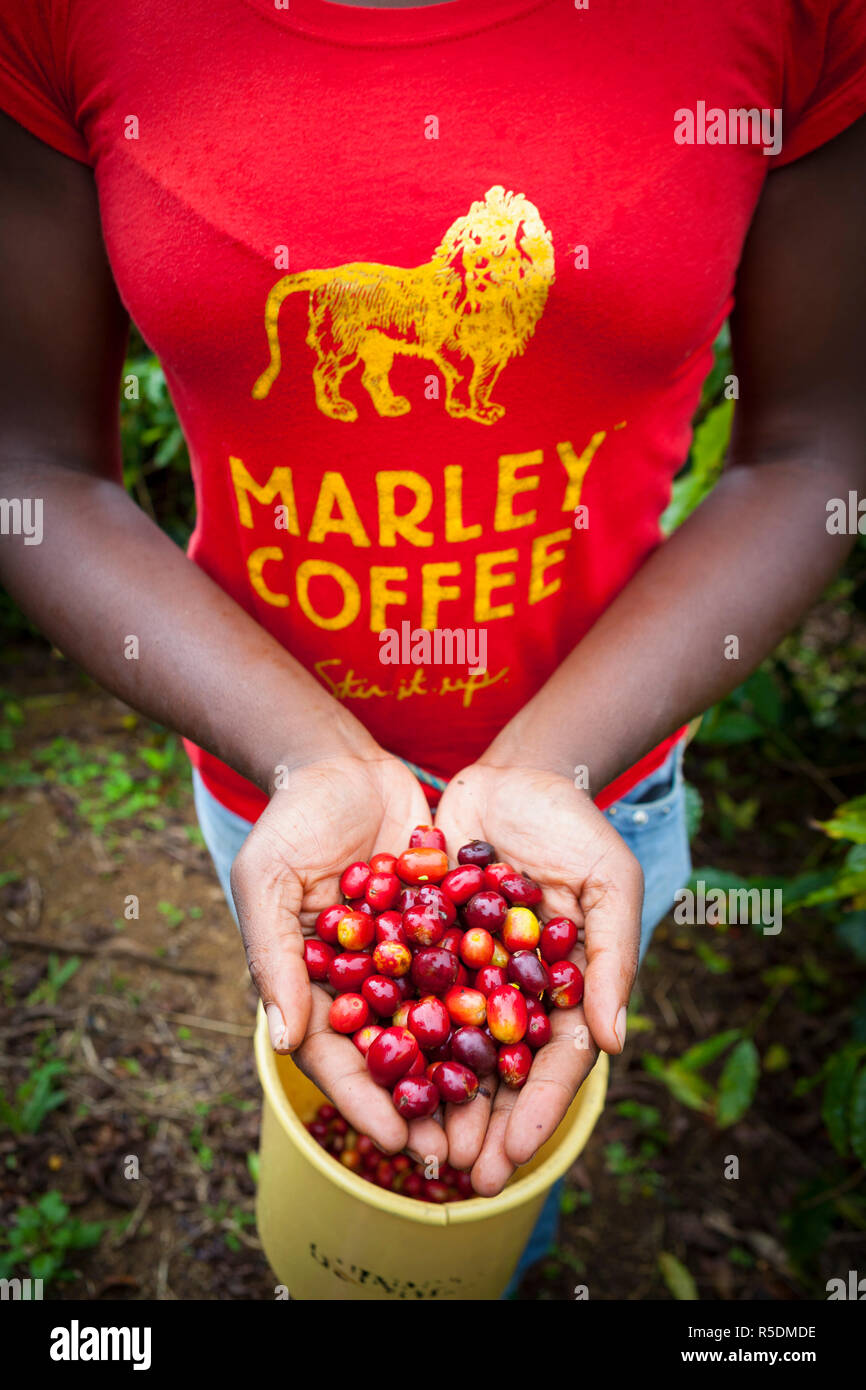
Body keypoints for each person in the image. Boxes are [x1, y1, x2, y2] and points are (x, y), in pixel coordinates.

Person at [0, 0, 864, 1242]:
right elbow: (35, 468)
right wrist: (305, 757)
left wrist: (551, 765)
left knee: (498, 1172)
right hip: (272, 781)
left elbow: (807, 449)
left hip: (596, 786)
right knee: (354, 1138)